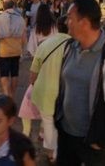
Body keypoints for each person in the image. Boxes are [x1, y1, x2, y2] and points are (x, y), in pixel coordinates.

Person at [54, 0, 105, 166]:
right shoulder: (70, 47)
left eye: (70, 17)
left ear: (84, 22)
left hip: (94, 143)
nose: (66, 21)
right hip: (67, 137)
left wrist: (103, 141)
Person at [30, 15, 70, 163]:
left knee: (48, 121)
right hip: (66, 93)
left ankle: (51, 153)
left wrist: (33, 85)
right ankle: (59, 151)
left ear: (57, 27)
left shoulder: (45, 44)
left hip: (45, 90)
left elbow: (33, 73)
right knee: (63, 123)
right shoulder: (75, 45)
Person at [0, 0, 26, 97]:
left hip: (4, 50)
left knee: (4, 74)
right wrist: (23, 50)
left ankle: (6, 94)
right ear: (13, 6)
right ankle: (12, 95)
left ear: (4, 7)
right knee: (14, 74)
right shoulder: (20, 18)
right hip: (16, 50)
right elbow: (23, 37)